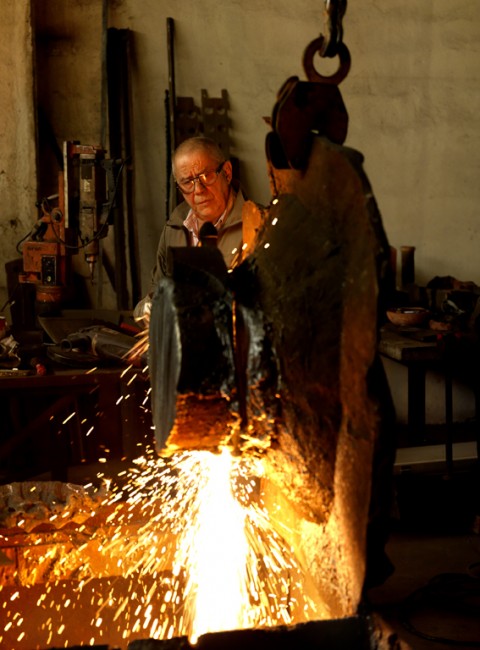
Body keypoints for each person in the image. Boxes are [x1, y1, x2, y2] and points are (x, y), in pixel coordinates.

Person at [134, 136, 245, 323]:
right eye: (187, 182)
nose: (198, 189)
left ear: (226, 172)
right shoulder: (175, 228)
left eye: (206, 176)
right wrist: (147, 311)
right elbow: (154, 294)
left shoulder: (256, 226)